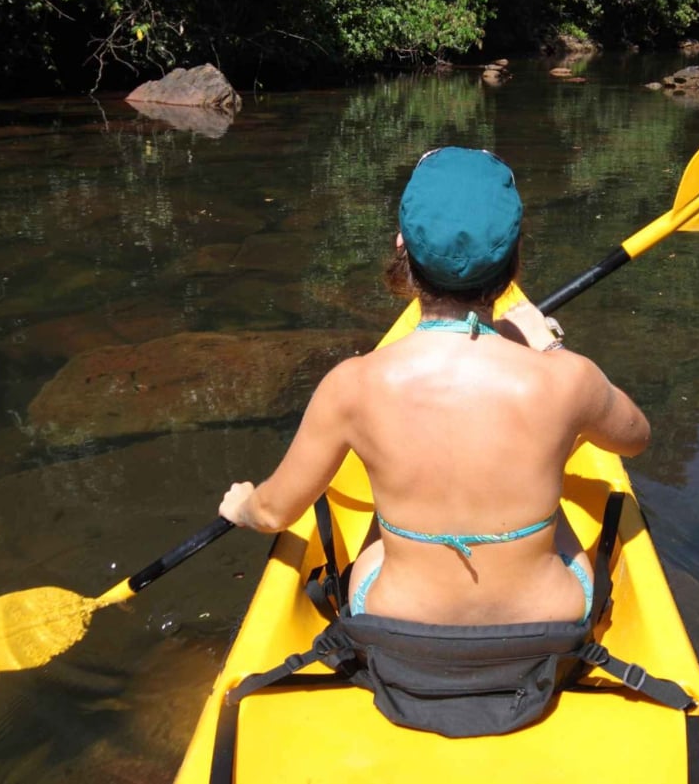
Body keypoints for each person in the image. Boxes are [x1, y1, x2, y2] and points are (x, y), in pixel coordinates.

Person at [218, 146, 650, 628]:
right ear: (515, 256)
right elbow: (635, 438)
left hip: (400, 641)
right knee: (560, 509)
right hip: (547, 638)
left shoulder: (351, 386)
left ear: (402, 247)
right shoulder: (570, 380)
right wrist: (548, 347)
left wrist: (241, 505)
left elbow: (274, 512)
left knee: (377, 537)